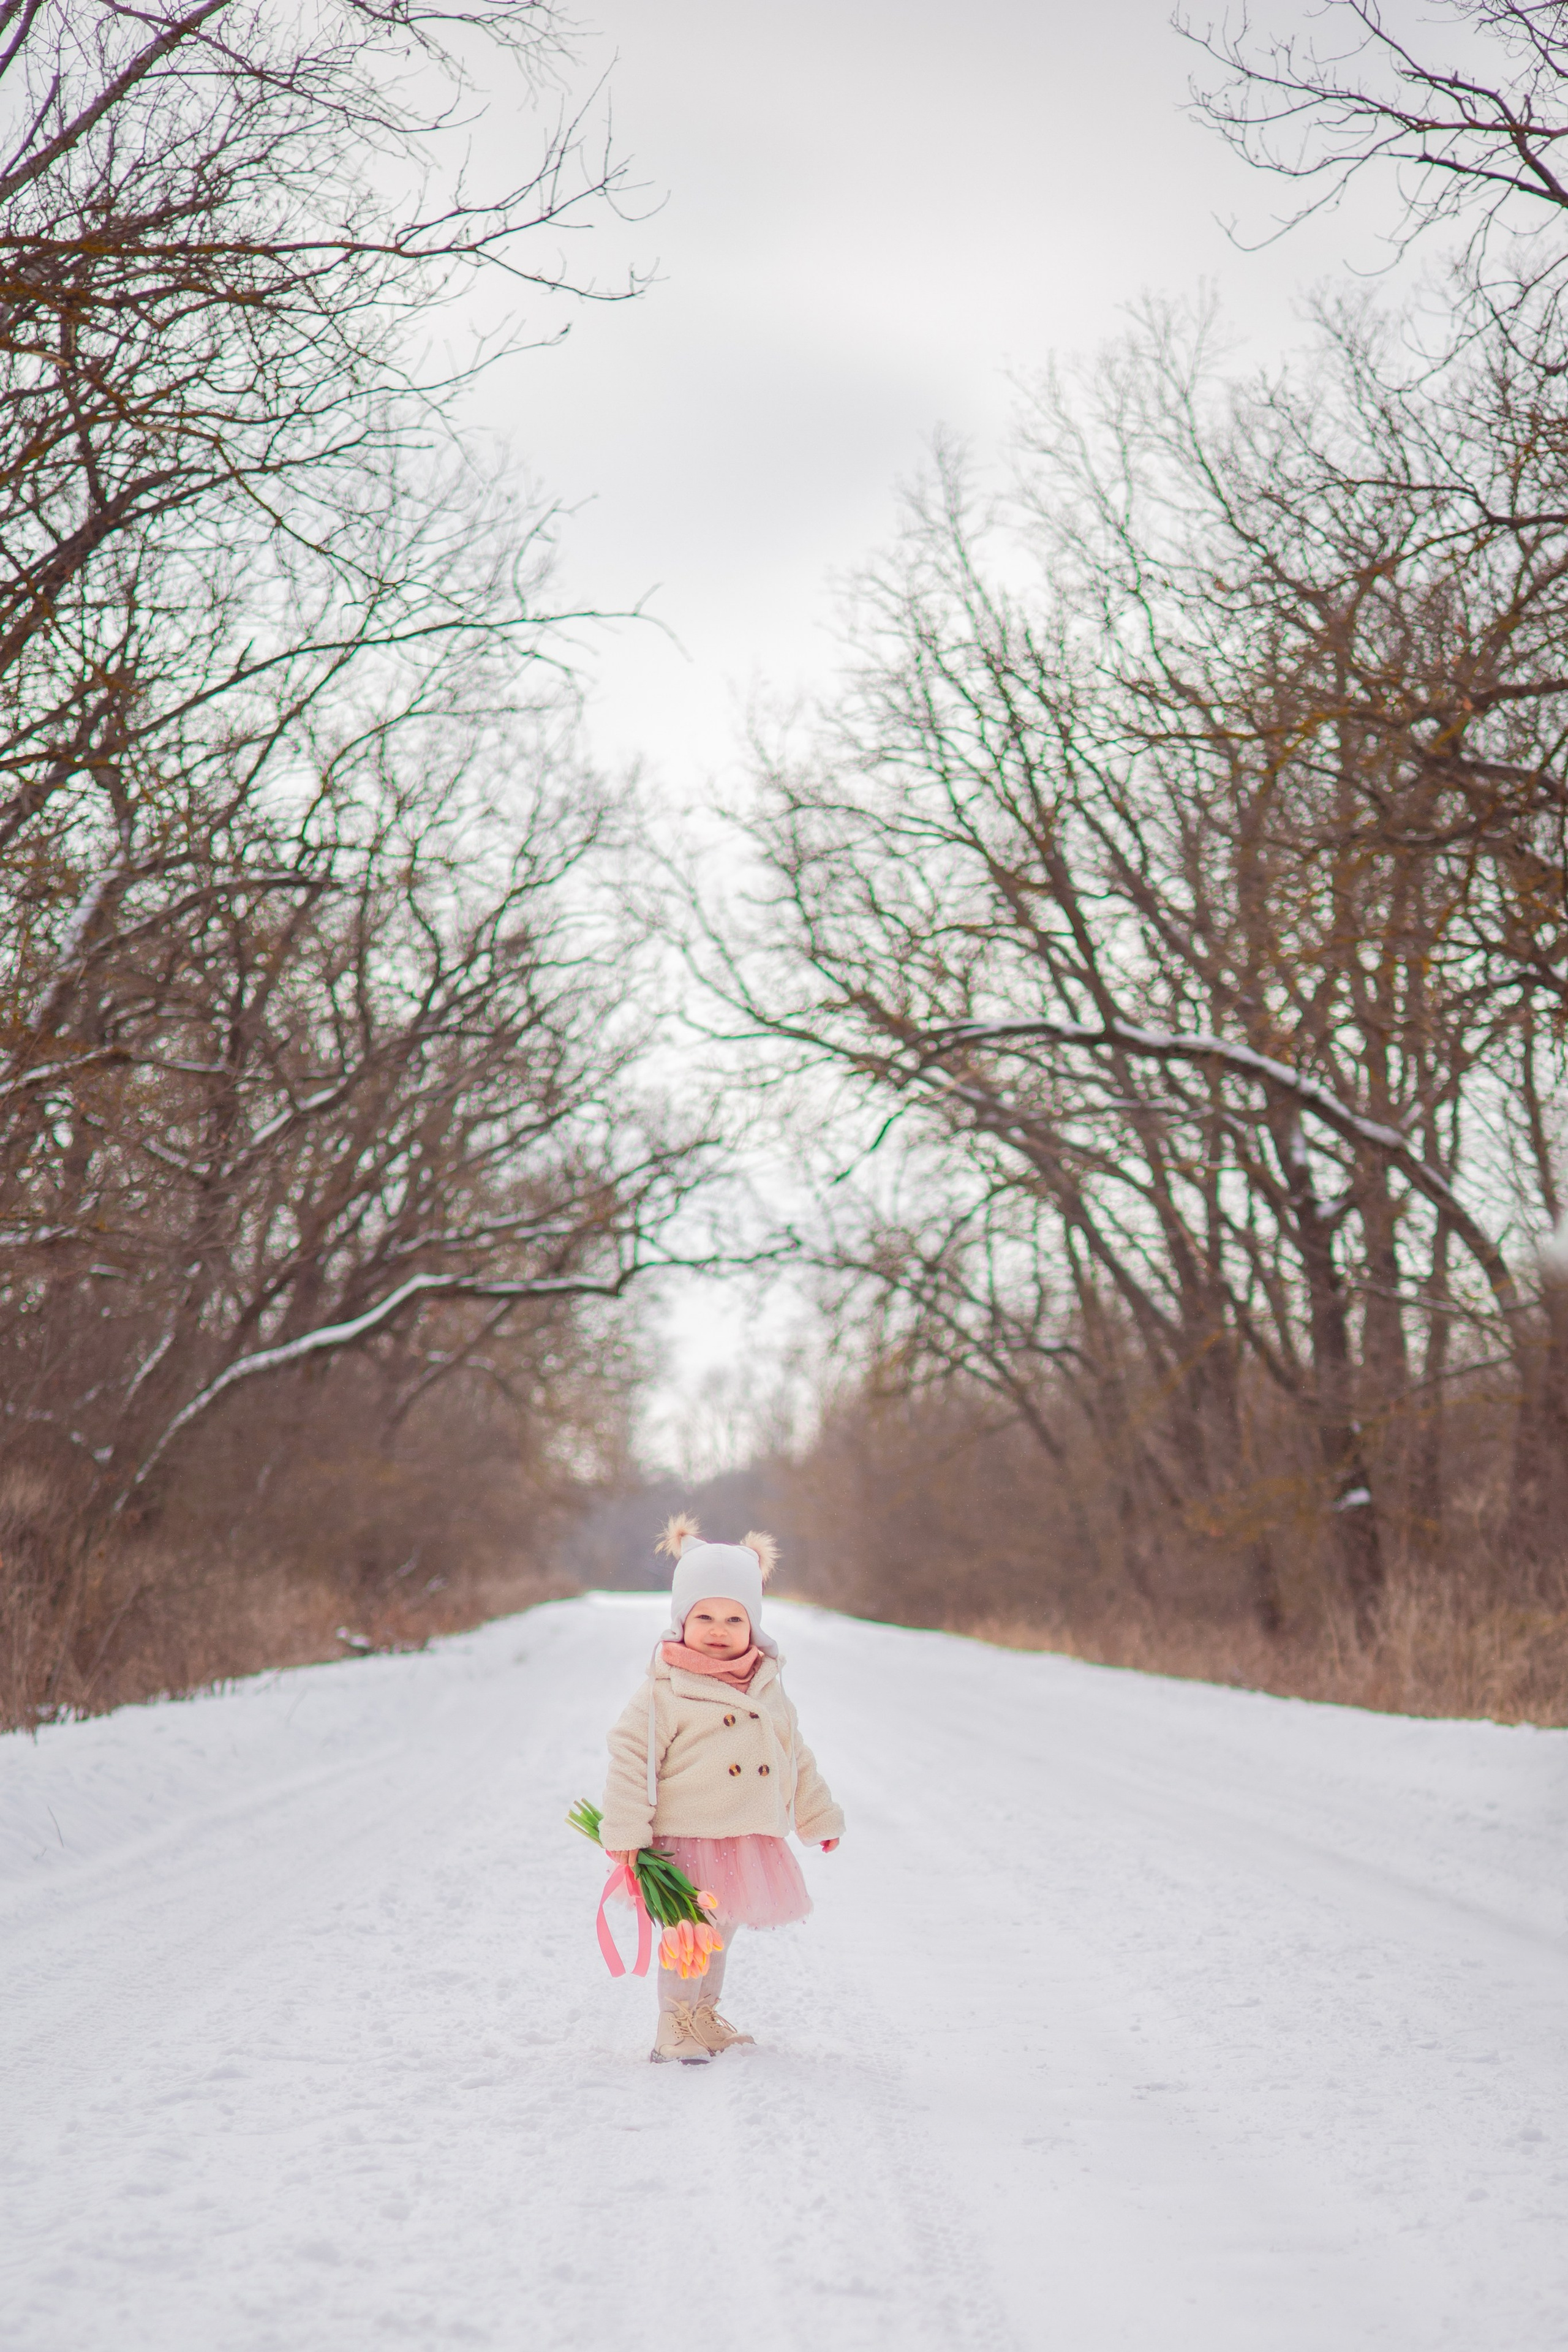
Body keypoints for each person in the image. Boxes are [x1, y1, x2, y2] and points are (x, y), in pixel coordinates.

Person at [600, 1514, 845, 2064]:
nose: (718, 1628)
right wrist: (626, 1830)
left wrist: (817, 1818)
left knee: (722, 1933)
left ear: (753, 1625)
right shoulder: (665, 1689)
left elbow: (794, 1758)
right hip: (689, 1837)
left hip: (746, 1836)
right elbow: (631, 1757)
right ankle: (674, 2022)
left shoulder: (766, 1685)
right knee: (689, 1934)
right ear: (681, 1620)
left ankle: (705, 2014)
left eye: (734, 1618)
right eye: (703, 1615)